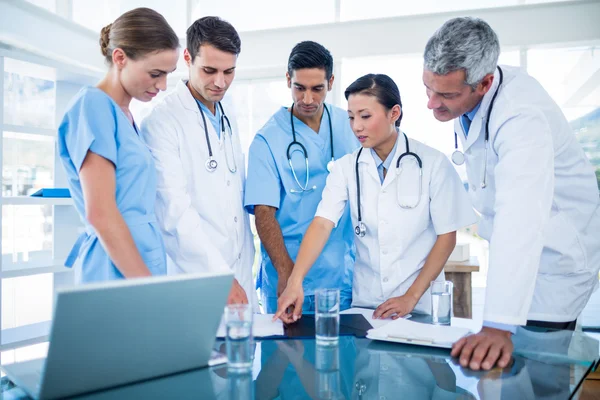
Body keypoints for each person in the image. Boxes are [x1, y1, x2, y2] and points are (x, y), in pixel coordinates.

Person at [422, 17, 600, 370]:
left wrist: (498, 325)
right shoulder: (475, 94)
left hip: (556, 261)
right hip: (526, 259)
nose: (432, 104)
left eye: (447, 95)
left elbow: (520, 216)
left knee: (540, 376)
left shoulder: (521, 116)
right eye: (428, 89)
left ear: (485, 83)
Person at [274, 74, 477, 323]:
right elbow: (322, 223)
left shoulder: (433, 164)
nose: (356, 126)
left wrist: (410, 297)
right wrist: (295, 281)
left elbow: (447, 237)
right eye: (351, 117)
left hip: (419, 307)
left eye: (365, 116)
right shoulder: (346, 168)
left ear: (394, 113)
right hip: (367, 306)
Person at [140, 17, 257, 309]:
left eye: (229, 71)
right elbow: (173, 213)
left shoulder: (228, 111)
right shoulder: (162, 123)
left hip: (240, 273)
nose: (220, 82)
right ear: (188, 58)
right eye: (209, 70)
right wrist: (220, 276)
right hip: (197, 279)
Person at [58, 8, 179, 282]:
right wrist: (144, 284)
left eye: (168, 74)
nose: (162, 85)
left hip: (141, 260)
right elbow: (100, 212)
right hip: (114, 266)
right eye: (155, 73)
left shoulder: (126, 117)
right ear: (120, 58)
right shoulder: (93, 106)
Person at [244, 41, 358, 313]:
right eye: (300, 88)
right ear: (288, 80)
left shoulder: (351, 125)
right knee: (284, 354)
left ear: (331, 82)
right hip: (287, 272)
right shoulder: (267, 139)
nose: (308, 99)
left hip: (342, 276)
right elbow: (263, 213)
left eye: (317, 89)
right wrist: (287, 274)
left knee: (342, 355)